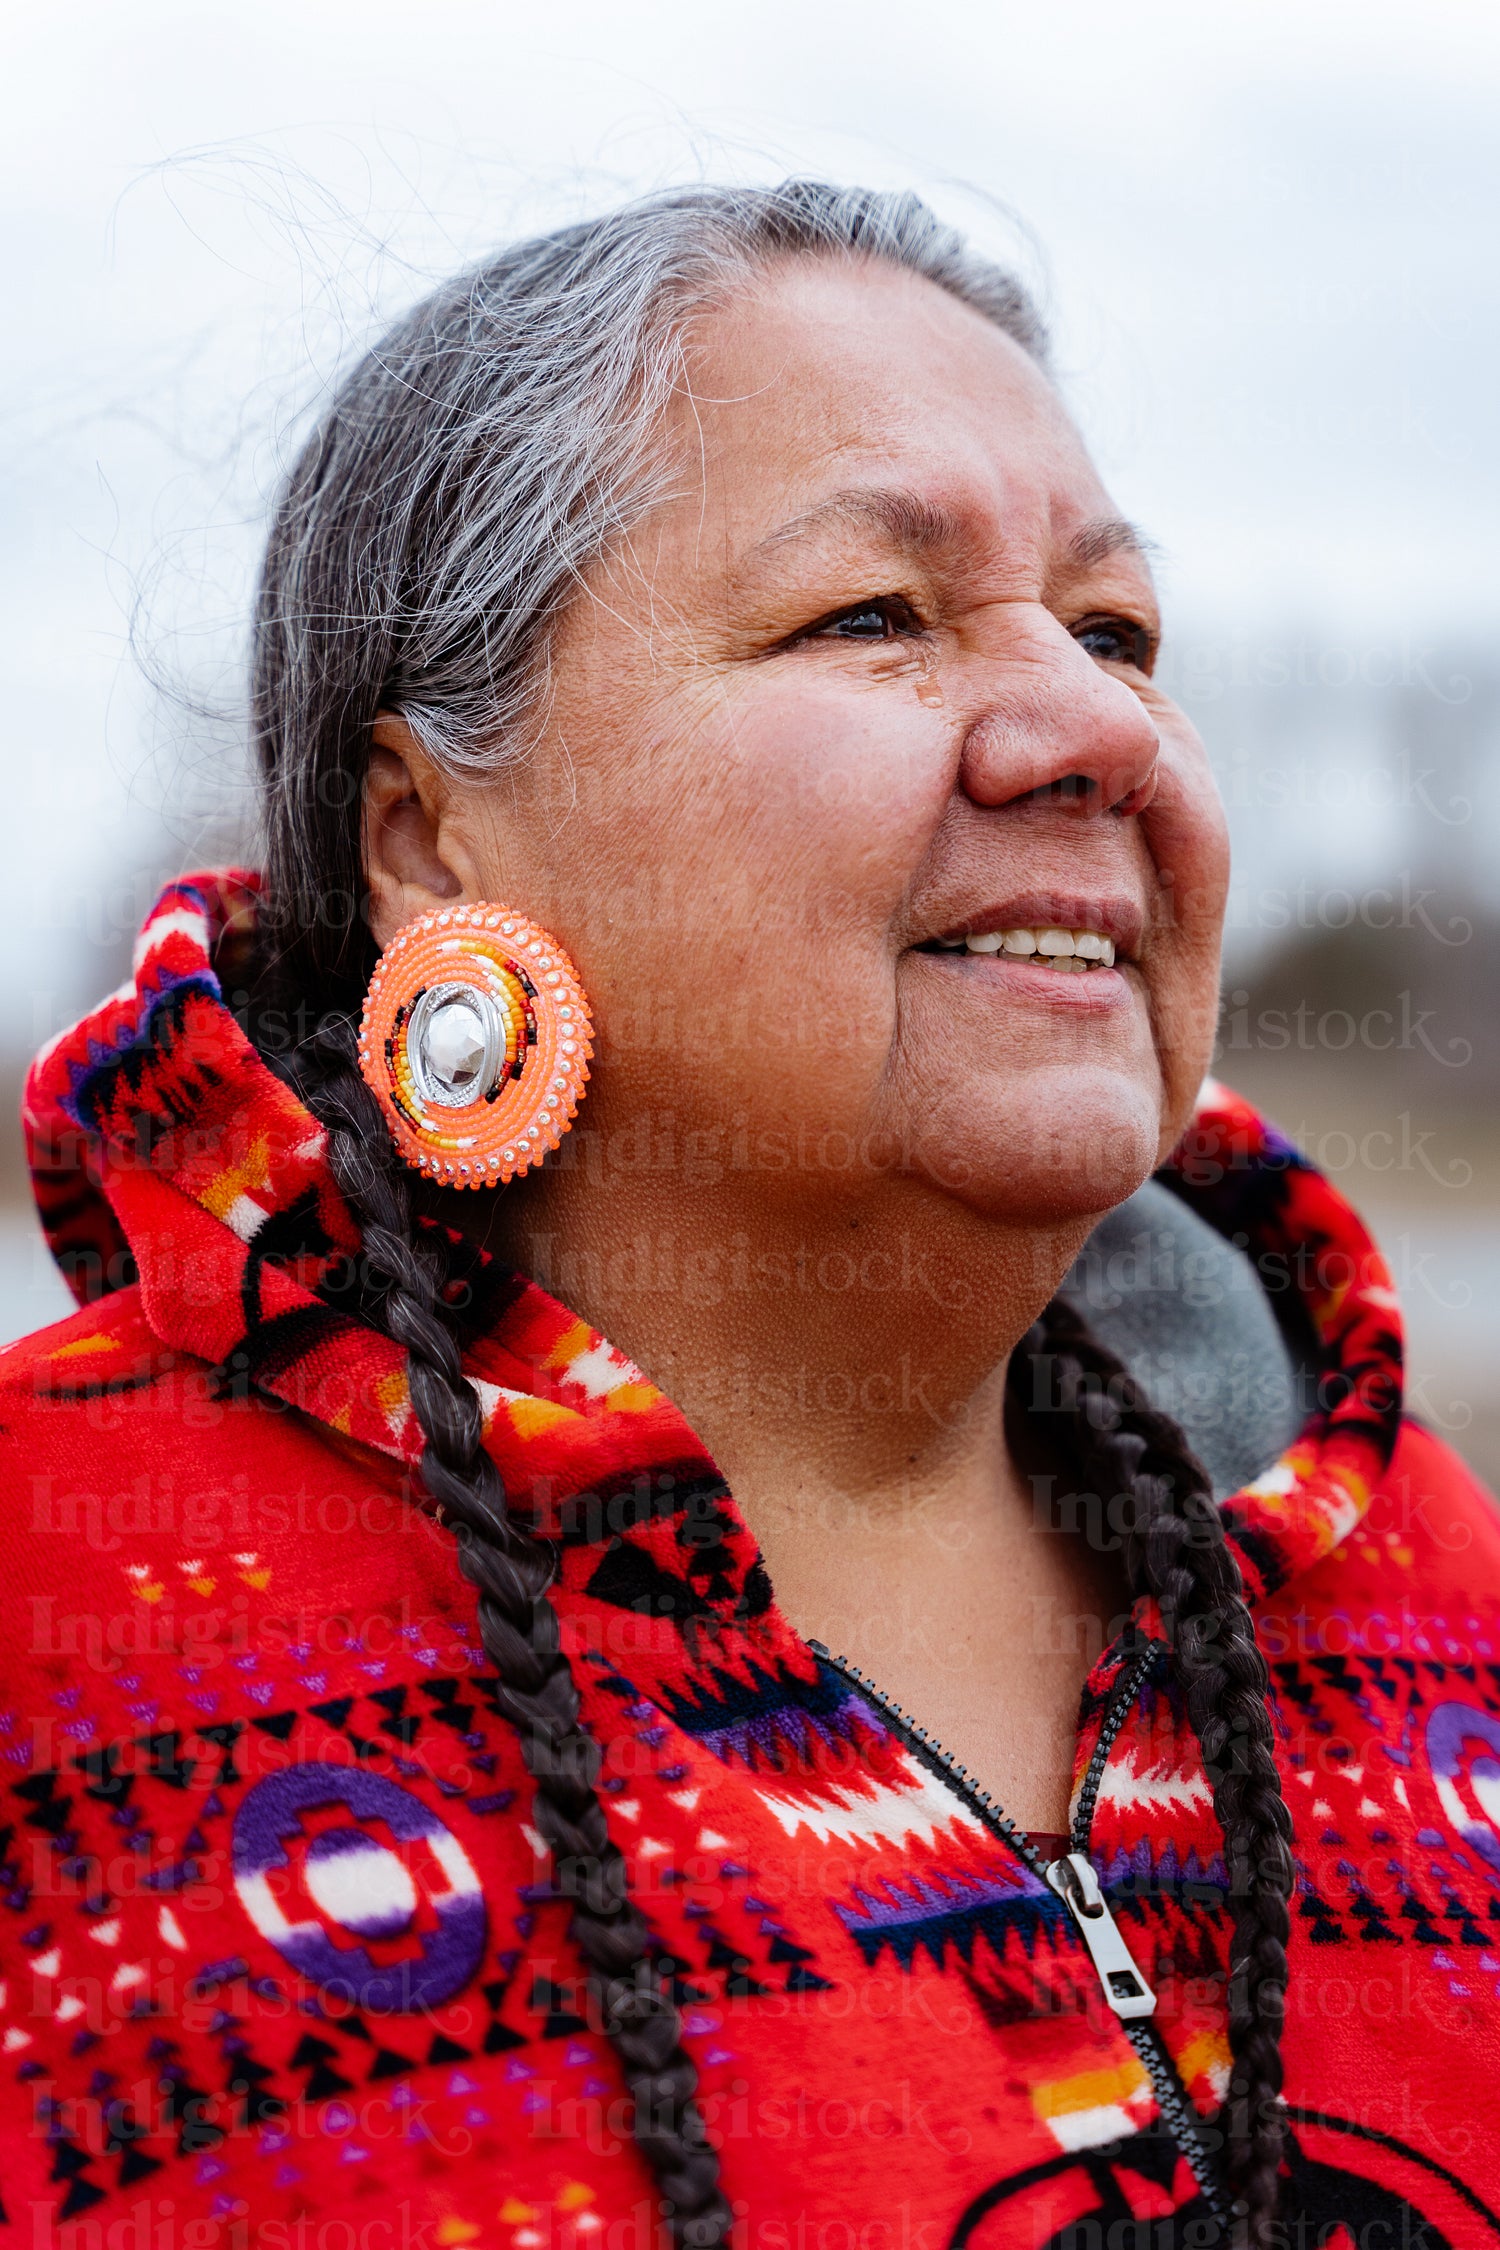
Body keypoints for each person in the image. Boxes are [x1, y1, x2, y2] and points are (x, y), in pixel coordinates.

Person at [4, 181, 1498, 2250]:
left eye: (1119, 631)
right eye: (874, 615)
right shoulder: (52, 1621)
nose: (1092, 726)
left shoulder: (1432, 1587)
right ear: (431, 842)